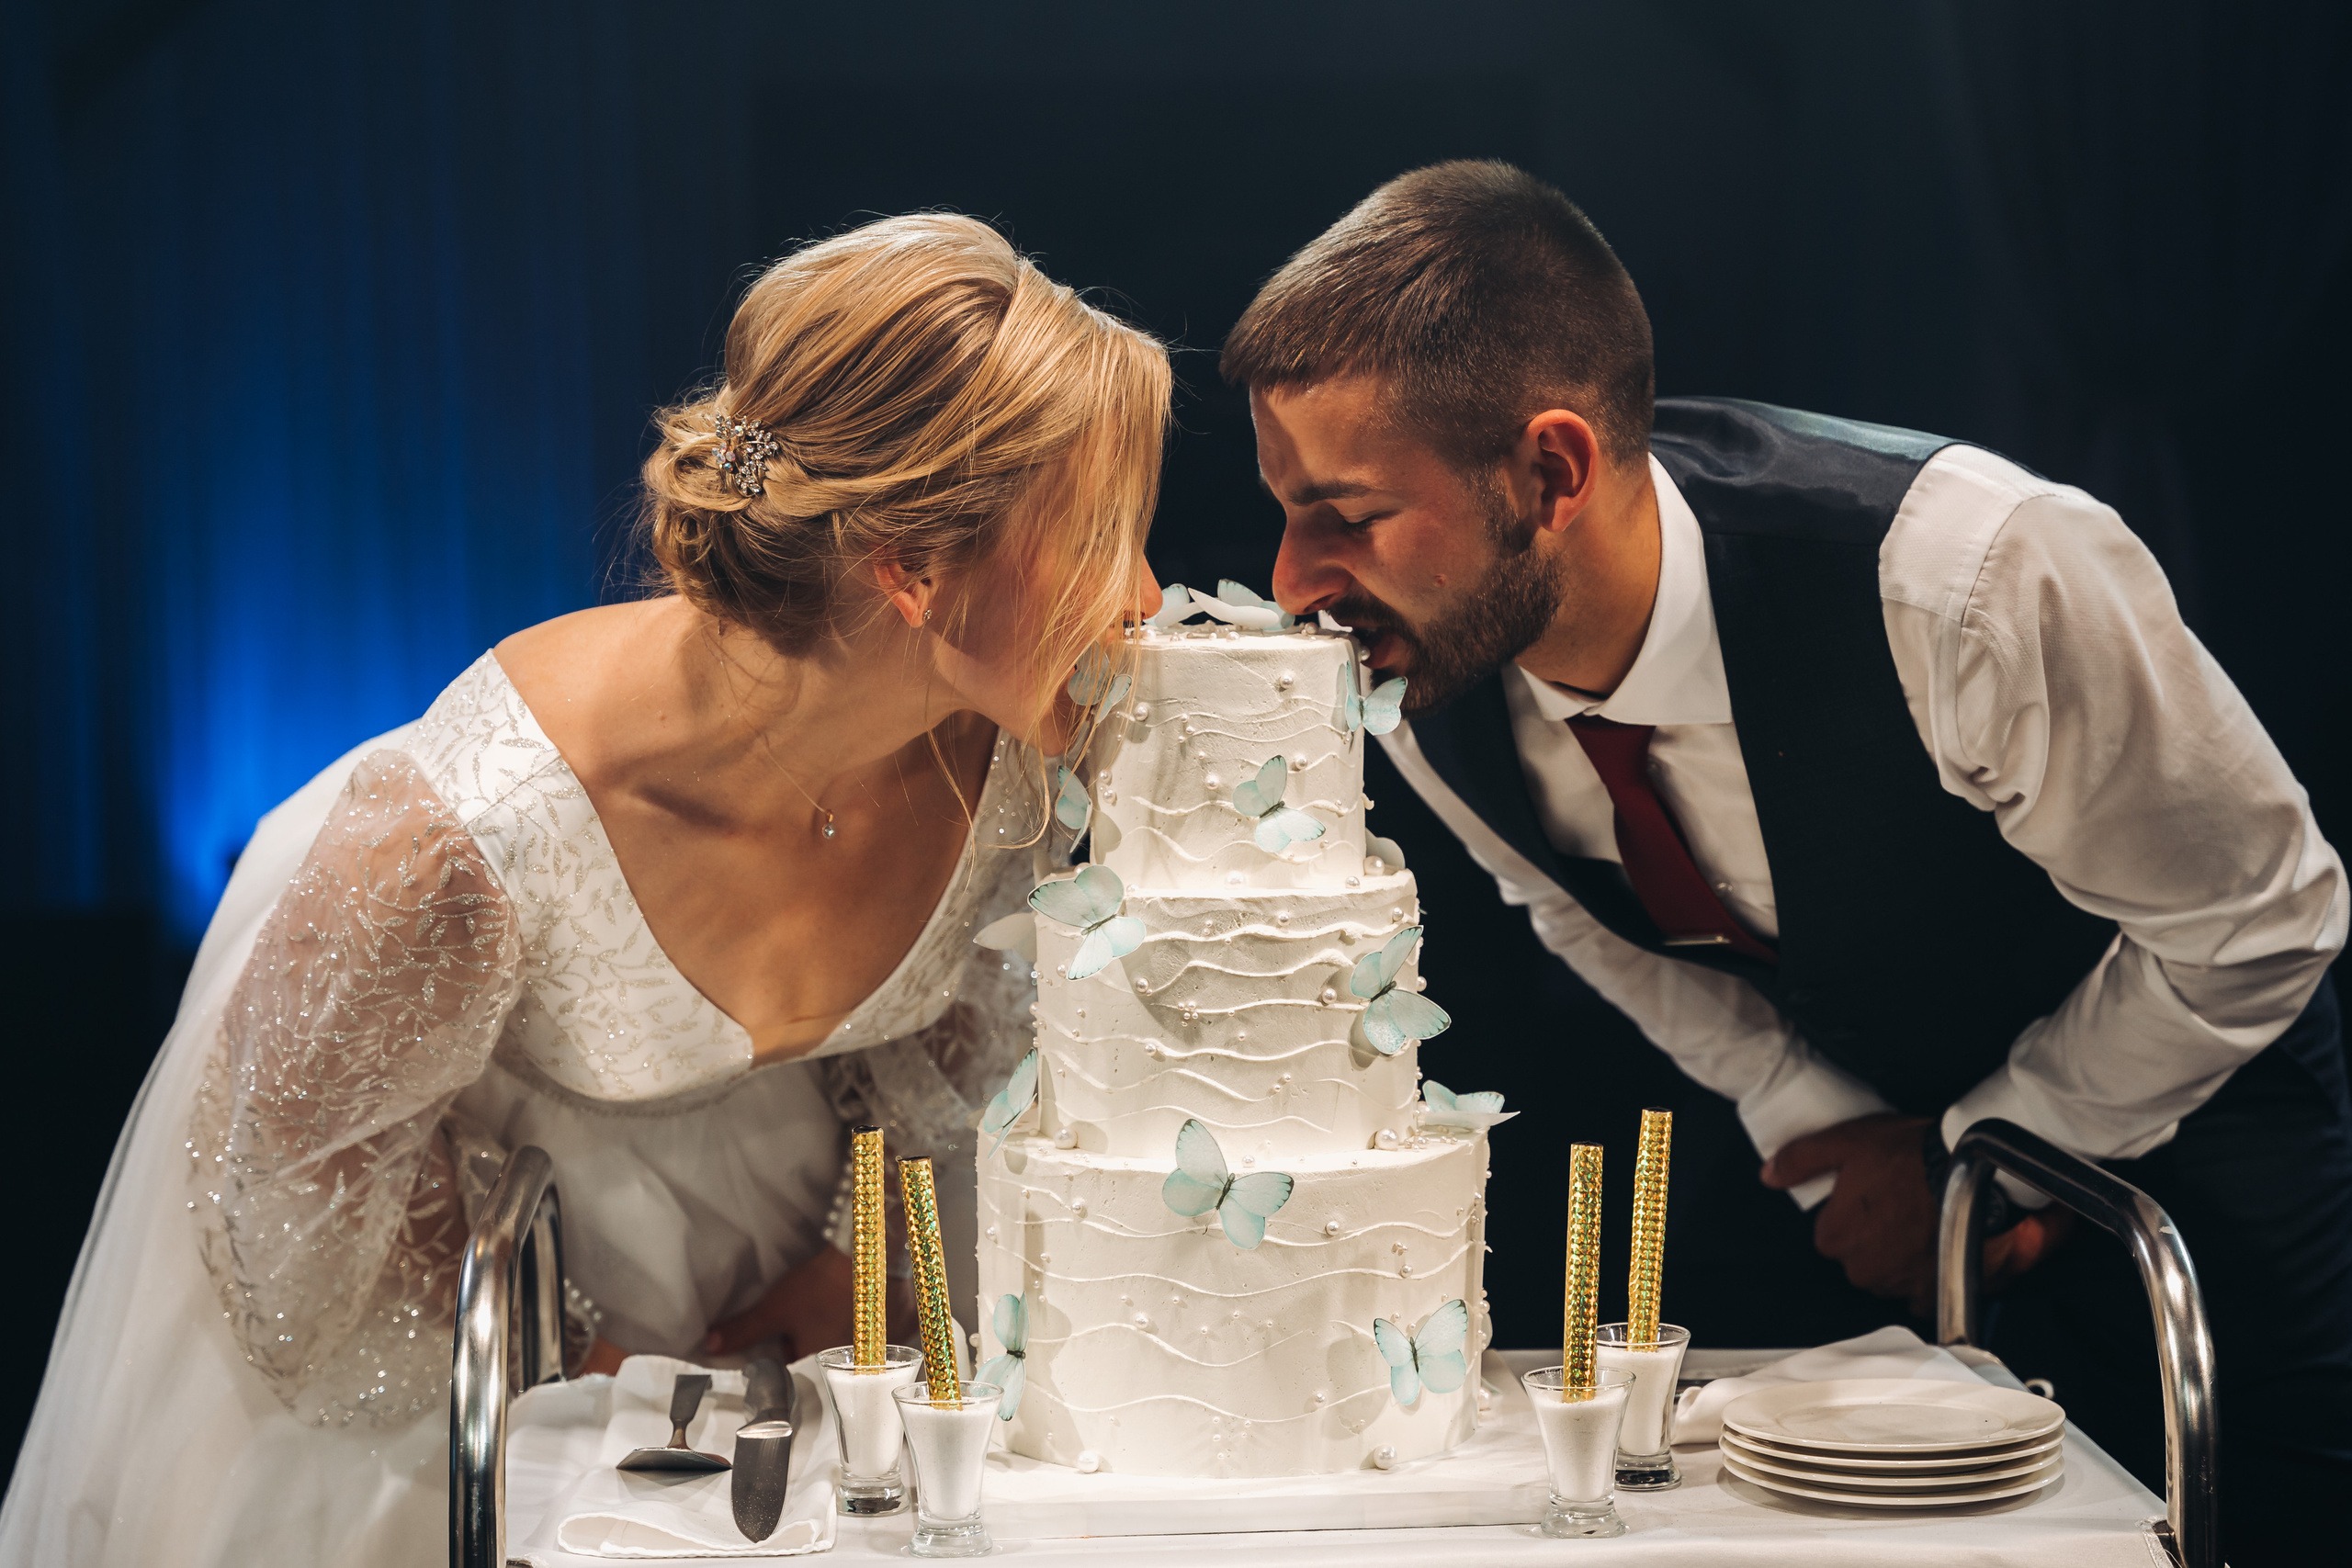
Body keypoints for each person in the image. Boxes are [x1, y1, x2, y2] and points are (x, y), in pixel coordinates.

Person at [0, 213, 1169, 1568]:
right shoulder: (466, 838)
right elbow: (294, 1208)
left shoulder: (1012, 759)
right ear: (909, 571)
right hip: (495, 1282)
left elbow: (955, 1043)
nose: (1143, 598)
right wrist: (577, 1365)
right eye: (1100, 541)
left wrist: (858, 1267)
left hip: (794, 1266)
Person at [1224, 160, 2350, 1564]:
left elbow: (2259, 920)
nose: (1292, 581)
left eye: (1347, 514)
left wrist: (1981, 1159)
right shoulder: (1418, 673)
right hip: (1866, 1147)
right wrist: (1818, 1123)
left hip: (2198, 1131)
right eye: (1285, 509)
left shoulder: (1969, 580)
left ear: (1551, 472)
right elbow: (1579, 918)